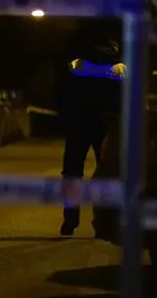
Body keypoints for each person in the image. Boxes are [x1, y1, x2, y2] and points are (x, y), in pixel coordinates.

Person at [59, 33, 126, 236]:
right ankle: (103, 222)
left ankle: (70, 220)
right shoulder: (120, 68)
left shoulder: (77, 65)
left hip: (78, 124)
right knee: (107, 173)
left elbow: (63, 94)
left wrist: (65, 118)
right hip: (107, 125)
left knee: (72, 173)